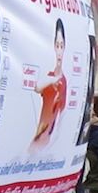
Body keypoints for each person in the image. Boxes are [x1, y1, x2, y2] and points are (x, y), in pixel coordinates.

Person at [31, 18, 68, 149]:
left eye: (62, 46)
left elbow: (62, 113)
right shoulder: (49, 75)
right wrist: (53, 80)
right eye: (57, 45)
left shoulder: (64, 81)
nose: (59, 51)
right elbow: (37, 88)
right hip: (39, 133)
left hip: (50, 138)